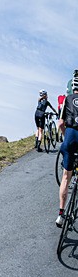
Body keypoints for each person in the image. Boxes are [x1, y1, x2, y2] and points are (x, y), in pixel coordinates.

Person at [56, 82, 78, 227]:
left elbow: (60, 124)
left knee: (65, 177)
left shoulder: (67, 99)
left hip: (70, 137)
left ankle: (61, 214)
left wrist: (65, 138)